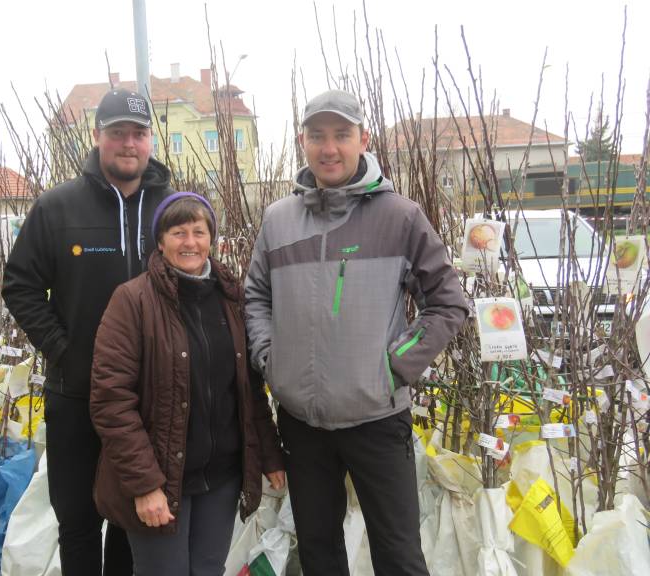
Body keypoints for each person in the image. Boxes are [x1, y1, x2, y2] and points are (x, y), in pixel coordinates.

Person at [245, 89, 469, 576]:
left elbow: (448, 302)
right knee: (319, 554)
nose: (329, 148)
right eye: (317, 136)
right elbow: (256, 296)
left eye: (342, 135)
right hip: (302, 424)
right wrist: (270, 358)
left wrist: (395, 366)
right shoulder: (278, 220)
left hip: (377, 420)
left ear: (363, 140)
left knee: (399, 556)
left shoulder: (400, 216)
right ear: (302, 141)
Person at [2, 88, 174, 575]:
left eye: (138, 133)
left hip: (146, 400)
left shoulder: (171, 208)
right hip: (75, 395)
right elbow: (19, 285)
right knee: (77, 521)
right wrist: (64, 349)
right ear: (97, 137)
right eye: (117, 132)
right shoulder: (58, 207)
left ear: (150, 140)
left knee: (129, 519)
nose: (128, 143)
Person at [90, 192, 285, 576]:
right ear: (160, 242)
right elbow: (111, 402)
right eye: (178, 232)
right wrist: (144, 485)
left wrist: (269, 453)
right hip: (161, 479)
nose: (190, 242)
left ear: (212, 238)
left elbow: (247, 389)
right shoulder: (133, 301)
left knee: (209, 570)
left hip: (221, 477)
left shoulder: (230, 298)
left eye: (199, 231)